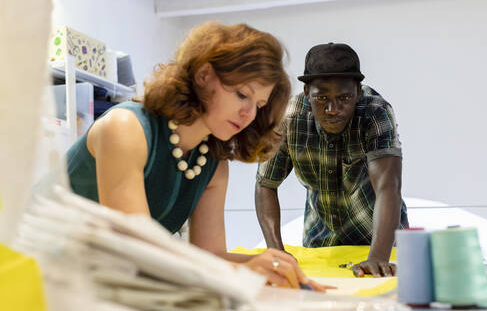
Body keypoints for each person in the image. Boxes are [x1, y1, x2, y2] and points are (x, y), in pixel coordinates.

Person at [66, 21, 327, 291]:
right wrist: (247, 268)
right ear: (204, 75)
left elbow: (210, 256)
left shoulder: (212, 161)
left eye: (258, 105)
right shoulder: (124, 128)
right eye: (241, 95)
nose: (249, 114)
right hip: (43, 272)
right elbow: (137, 251)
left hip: (94, 280)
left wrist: (271, 263)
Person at [255, 42, 409, 278]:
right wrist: (276, 250)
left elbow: (388, 187)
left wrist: (378, 257)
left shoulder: (376, 112)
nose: (332, 109)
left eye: (344, 98)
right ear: (307, 93)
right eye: (322, 98)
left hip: (383, 245)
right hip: (320, 244)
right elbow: (265, 184)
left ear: (358, 91)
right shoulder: (289, 117)